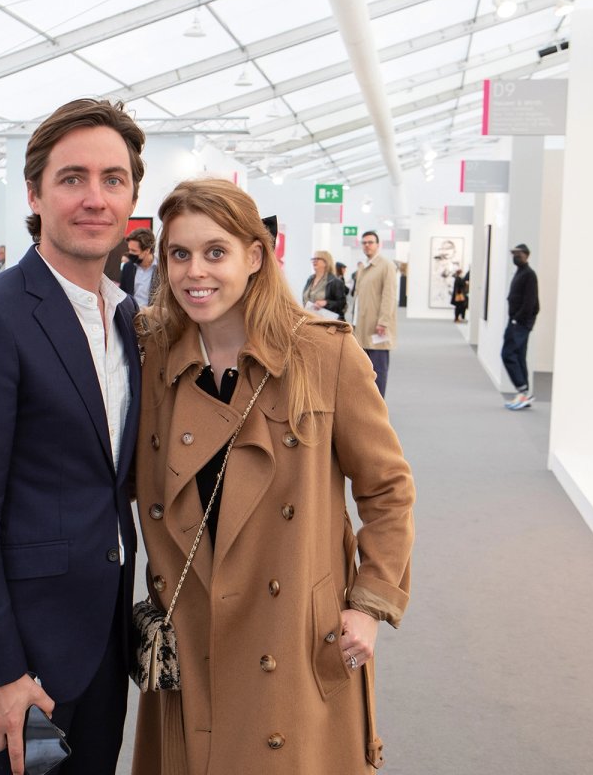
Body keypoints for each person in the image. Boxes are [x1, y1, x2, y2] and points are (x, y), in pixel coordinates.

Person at [131, 179, 415, 774]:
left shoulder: (322, 355)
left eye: (215, 252)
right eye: (179, 253)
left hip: (290, 640)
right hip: (192, 630)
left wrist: (369, 602)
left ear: (254, 257)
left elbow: (388, 489)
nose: (193, 272)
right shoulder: (151, 355)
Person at [0, 98, 146, 775]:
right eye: (72, 178)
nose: (94, 198)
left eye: (113, 179)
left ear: (133, 194)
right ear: (35, 192)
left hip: (102, 642)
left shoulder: (131, 320)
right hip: (20, 655)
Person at [351, 230, 397, 397]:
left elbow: (389, 295)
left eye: (370, 242)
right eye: (364, 243)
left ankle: (378, 411)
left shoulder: (386, 266)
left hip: (378, 328)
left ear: (378, 245)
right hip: (361, 327)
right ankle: (367, 408)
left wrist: (383, 322)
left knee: (378, 371)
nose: (367, 245)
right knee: (363, 371)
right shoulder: (363, 267)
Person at [502, 243, 540, 410]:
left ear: (526, 255)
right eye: (513, 254)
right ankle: (524, 394)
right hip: (517, 321)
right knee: (519, 356)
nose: (515, 257)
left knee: (508, 354)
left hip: (519, 323)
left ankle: (521, 390)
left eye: (518, 254)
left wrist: (518, 319)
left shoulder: (529, 275)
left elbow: (532, 302)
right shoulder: (521, 272)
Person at [120, 227, 160, 307]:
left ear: (147, 251)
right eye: (129, 249)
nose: (130, 253)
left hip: (154, 317)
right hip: (132, 316)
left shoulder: (163, 270)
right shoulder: (127, 268)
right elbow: (122, 295)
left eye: (134, 251)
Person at [302, 249, 347, 320]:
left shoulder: (335, 281)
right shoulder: (310, 279)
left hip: (326, 322)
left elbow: (342, 304)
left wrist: (326, 303)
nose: (314, 261)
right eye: (313, 259)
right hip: (310, 320)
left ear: (326, 262)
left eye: (317, 259)